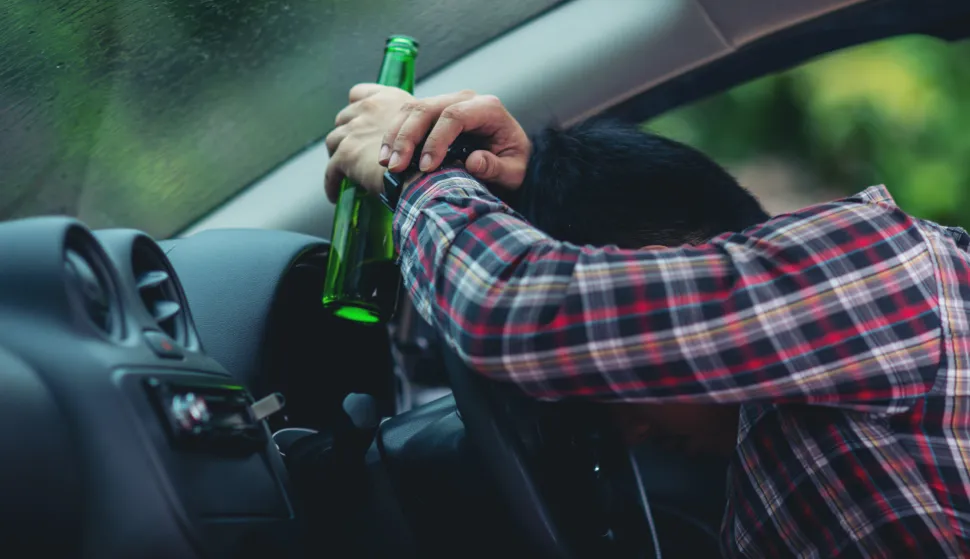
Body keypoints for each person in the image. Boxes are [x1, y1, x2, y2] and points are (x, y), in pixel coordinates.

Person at [325, 85, 970, 558]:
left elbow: (510, 308)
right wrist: (535, 194)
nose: (625, 430)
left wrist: (409, 167)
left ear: (667, 271)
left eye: (607, 381)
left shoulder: (880, 263)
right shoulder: (751, 498)